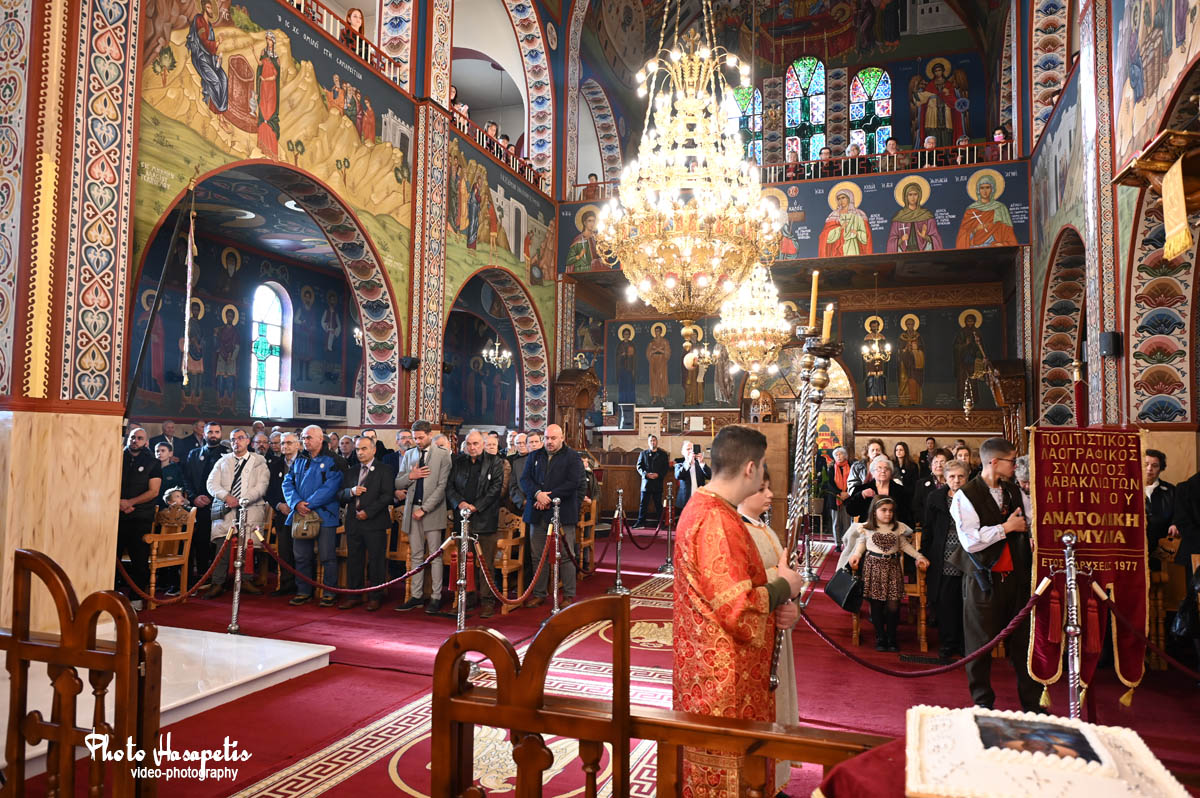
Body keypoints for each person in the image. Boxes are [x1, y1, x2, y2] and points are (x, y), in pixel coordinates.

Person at [672, 425, 804, 793]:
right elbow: (739, 609)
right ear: (750, 468)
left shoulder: (705, 506)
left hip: (705, 663)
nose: (763, 476)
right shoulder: (718, 520)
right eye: (762, 467)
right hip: (724, 676)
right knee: (727, 776)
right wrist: (784, 586)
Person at [948, 437, 1041, 712]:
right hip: (983, 580)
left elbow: (1031, 519)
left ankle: (1033, 703)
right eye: (1012, 461)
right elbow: (971, 541)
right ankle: (982, 702)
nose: (1015, 466)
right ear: (995, 461)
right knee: (980, 645)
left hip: (1017, 578)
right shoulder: (966, 495)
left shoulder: (1014, 491)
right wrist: (1007, 528)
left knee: (1024, 643)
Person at [736, 465, 797, 792]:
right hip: (754, 636)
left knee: (780, 702)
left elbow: (787, 578)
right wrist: (784, 581)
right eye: (763, 489)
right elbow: (745, 586)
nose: (771, 494)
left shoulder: (766, 530)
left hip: (776, 629)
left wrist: (793, 603)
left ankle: (775, 780)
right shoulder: (738, 531)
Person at [847, 497, 928, 651]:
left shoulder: (897, 527)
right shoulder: (867, 528)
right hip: (874, 568)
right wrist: (856, 555)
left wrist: (919, 556)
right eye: (883, 510)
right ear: (874, 511)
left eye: (890, 510)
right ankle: (880, 637)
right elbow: (861, 544)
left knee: (893, 605)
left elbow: (904, 545)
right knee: (876, 605)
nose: (888, 514)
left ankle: (892, 637)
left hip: (892, 568)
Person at [519, 424, 584, 608]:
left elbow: (573, 483)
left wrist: (547, 497)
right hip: (537, 513)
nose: (549, 441)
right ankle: (539, 593)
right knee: (537, 556)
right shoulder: (534, 455)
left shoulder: (572, 457)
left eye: (553, 438)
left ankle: (568, 595)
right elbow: (525, 480)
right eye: (546, 438)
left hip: (563, 513)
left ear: (562, 438)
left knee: (566, 555)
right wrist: (537, 494)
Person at [394, 420, 453, 614]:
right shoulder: (410, 454)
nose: (417, 441)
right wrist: (411, 476)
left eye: (421, 438)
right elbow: (398, 483)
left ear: (429, 435)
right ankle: (416, 596)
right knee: (417, 555)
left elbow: (442, 487)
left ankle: (436, 597)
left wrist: (425, 509)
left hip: (432, 511)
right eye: (415, 438)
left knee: (435, 555)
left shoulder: (443, 455)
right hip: (412, 509)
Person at [204, 428, 270, 599]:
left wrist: (242, 500)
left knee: (246, 545)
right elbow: (211, 483)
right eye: (233, 439)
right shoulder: (223, 461)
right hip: (227, 509)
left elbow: (262, 486)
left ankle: (245, 580)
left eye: (240, 438)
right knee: (222, 544)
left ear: (248, 441)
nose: (236, 442)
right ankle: (218, 582)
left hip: (250, 508)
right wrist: (226, 497)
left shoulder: (259, 462)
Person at [283, 425, 344, 607]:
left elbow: (331, 487)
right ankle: (304, 591)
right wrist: (296, 503)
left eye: (309, 437)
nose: (305, 441)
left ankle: (329, 592)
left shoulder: (334, 460)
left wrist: (307, 505)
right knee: (301, 556)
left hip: (325, 514)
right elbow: (287, 483)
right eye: (303, 438)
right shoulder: (300, 459)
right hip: (301, 514)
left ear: (320, 439)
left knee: (327, 556)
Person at [447, 430, 505, 618]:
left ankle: (488, 601)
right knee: (464, 563)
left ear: (483, 444)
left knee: (485, 564)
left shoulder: (495, 462)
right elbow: (450, 487)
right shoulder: (459, 461)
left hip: (485, 520)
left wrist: (476, 507)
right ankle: (467, 599)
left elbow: (495, 489)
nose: (472, 447)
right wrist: (459, 503)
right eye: (469, 444)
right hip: (462, 519)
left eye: (476, 444)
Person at [336, 436, 395, 611]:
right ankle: (354, 595)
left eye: (364, 449)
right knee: (354, 559)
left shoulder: (385, 469)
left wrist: (368, 512)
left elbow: (387, 495)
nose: (360, 453)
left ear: (373, 450)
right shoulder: (352, 471)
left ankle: (375, 596)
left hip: (375, 522)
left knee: (376, 561)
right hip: (353, 522)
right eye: (358, 449)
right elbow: (340, 494)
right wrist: (351, 492)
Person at [923, 459, 969, 659]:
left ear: (967, 477)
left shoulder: (974, 497)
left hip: (968, 558)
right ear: (945, 477)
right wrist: (923, 554)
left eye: (961, 476)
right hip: (943, 557)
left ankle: (964, 644)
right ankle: (948, 643)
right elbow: (928, 529)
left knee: (965, 603)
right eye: (952, 476)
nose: (956, 480)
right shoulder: (935, 497)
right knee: (945, 603)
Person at [118, 428, 163, 610]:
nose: (135, 441)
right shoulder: (118, 457)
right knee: (113, 557)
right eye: (132, 437)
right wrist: (119, 503)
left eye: (139, 438)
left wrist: (130, 502)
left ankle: (136, 597)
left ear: (146, 442)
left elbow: (154, 491)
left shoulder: (153, 462)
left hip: (140, 516)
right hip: (117, 514)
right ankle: (113, 595)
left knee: (139, 559)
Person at [182, 422, 226, 583]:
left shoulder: (227, 454)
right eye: (210, 432)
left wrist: (212, 498)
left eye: (216, 432)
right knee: (199, 541)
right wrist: (194, 497)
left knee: (216, 542)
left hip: (219, 504)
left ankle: (217, 578)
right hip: (197, 504)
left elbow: (228, 481)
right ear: (204, 434)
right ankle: (201, 576)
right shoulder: (194, 453)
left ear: (221, 434)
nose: (213, 435)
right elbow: (186, 478)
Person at [265, 431, 301, 596]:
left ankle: (303, 586)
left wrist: (295, 505)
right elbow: (270, 492)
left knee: (301, 553)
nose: (285, 446)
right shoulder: (275, 465)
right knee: (285, 551)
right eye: (283, 443)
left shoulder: (306, 463)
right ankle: (286, 584)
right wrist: (279, 505)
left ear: (298, 445)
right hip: (282, 515)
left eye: (289, 443)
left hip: (301, 514)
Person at [846, 455, 911, 527]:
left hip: (894, 529)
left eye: (886, 468)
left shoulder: (901, 490)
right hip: (868, 529)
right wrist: (862, 495)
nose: (883, 471)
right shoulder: (862, 489)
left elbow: (908, 515)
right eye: (879, 469)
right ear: (873, 473)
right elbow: (851, 511)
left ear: (891, 472)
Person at [1143, 449, 1179, 572]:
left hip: (1163, 548)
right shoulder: (1128, 488)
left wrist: (1175, 523)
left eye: (1154, 465)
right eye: (1146, 464)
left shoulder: (1171, 490)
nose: (1149, 469)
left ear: (1161, 468)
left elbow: (1180, 512)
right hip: (1136, 545)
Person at [635, 435, 670, 528]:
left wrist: (658, 475)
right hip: (646, 483)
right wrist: (645, 474)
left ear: (657, 442)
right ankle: (640, 523)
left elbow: (665, 468)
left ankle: (660, 524)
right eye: (651, 440)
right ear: (648, 442)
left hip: (657, 482)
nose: (652, 442)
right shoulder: (643, 453)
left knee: (658, 505)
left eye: (654, 440)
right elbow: (639, 467)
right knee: (643, 504)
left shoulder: (663, 454)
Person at [912, 448, 949, 526]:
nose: (939, 465)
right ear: (930, 466)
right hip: (928, 525)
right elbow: (917, 507)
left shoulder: (952, 484)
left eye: (942, 462)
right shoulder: (921, 484)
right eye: (935, 462)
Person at [826, 446, 854, 550]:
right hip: (835, 498)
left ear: (845, 456)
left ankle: (846, 543)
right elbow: (829, 484)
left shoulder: (851, 467)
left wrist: (847, 493)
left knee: (847, 523)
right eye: (836, 455)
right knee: (836, 523)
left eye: (840, 454)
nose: (838, 456)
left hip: (848, 497)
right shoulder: (831, 468)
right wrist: (839, 493)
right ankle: (837, 544)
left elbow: (854, 481)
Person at [673, 441, 711, 512]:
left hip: (699, 500)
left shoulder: (700, 464)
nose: (691, 451)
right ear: (682, 452)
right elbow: (678, 476)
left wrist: (702, 463)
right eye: (688, 449)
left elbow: (710, 476)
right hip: (685, 500)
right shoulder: (679, 465)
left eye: (692, 449)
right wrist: (688, 463)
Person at [155, 441, 185, 507]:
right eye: (157, 451)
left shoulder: (176, 469)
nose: (159, 453)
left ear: (170, 453)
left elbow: (181, 486)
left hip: (171, 504)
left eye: (163, 451)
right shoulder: (151, 468)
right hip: (154, 502)